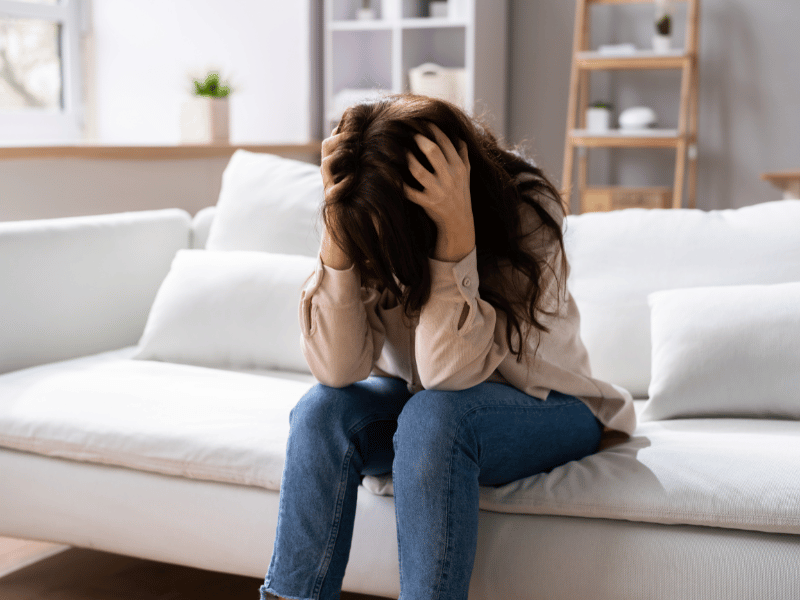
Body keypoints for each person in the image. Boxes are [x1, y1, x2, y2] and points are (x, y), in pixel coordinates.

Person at [260, 93, 635, 600]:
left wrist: (454, 233)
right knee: (319, 411)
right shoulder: (366, 207)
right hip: (427, 406)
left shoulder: (525, 209)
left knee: (437, 417)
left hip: (553, 407)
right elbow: (337, 368)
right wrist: (338, 228)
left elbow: (446, 376)